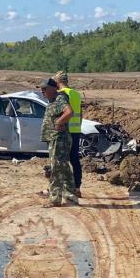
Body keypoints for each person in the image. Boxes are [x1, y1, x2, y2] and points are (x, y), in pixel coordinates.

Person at [38, 77, 77, 206]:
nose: (42, 92)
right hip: (55, 139)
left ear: (53, 88)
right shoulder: (52, 100)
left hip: (59, 139)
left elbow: (69, 112)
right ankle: (71, 196)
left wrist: (59, 122)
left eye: (45, 89)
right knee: (64, 167)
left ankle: (55, 199)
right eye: (41, 89)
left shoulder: (59, 98)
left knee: (56, 169)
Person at [54, 71, 83, 197]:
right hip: (76, 131)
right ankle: (77, 188)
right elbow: (80, 114)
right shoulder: (76, 94)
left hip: (65, 131)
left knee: (61, 160)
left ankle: (60, 189)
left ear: (57, 81)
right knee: (75, 160)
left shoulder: (61, 94)